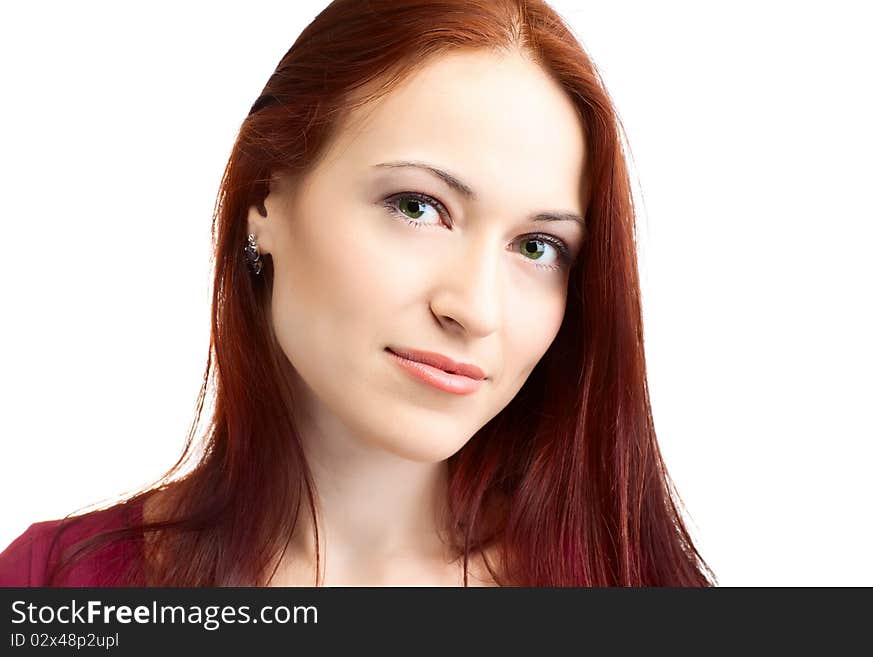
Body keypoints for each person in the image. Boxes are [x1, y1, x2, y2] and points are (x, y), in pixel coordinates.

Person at [0, 0, 715, 587]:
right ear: (266, 198)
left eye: (536, 247)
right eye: (416, 206)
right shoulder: (52, 589)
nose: (474, 308)